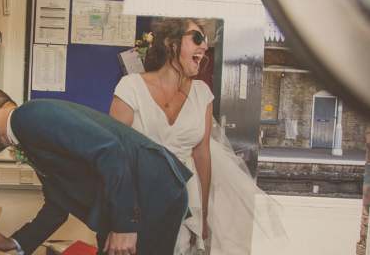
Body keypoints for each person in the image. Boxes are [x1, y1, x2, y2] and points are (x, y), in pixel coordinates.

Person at [109, 18, 286, 255]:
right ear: (171, 44)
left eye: (206, 41)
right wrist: (123, 218)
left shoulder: (203, 94)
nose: (204, 46)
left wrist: (202, 218)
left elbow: (202, 155)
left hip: (183, 202)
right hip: (136, 200)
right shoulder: (130, 87)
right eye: (197, 38)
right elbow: (114, 156)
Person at [0, 86, 193, 255]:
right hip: (135, 202)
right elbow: (58, 203)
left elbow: (110, 151)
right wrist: (13, 241)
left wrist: (125, 226)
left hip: (151, 196)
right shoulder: (26, 134)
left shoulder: (27, 116)